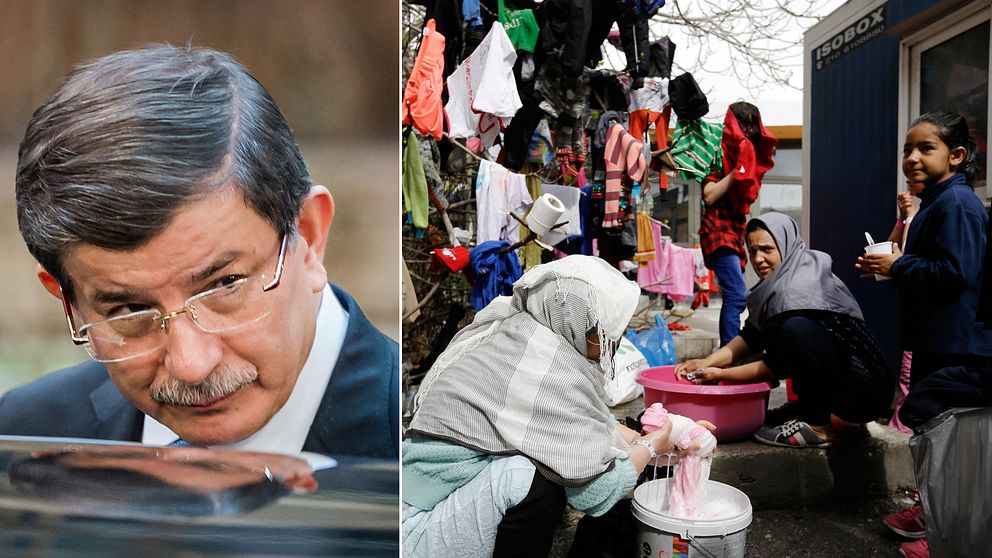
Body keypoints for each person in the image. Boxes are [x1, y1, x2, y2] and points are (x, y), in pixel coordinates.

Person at [0, 45, 398, 460]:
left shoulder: (406, 434)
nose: (192, 364)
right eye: (129, 311)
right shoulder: (24, 438)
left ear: (309, 235)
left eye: (224, 284)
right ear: (67, 300)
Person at [402, 255, 710, 557]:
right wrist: (652, 446)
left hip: (420, 495)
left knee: (557, 458)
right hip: (417, 527)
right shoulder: (544, 366)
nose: (613, 342)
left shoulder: (522, 333)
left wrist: (669, 436)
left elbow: (589, 427)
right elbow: (595, 491)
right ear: (574, 320)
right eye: (604, 331)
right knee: (540, 476)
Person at [859, 112, 992, 558]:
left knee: (952, 443)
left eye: (925, 148)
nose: (912, 157)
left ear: (955, 155)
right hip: (935, 339)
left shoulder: (957, 204)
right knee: (934, 435)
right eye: (906, 150)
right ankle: (932, 516)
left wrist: (898, 266)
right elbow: (930, 272)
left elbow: (958, 273)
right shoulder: (934, 203)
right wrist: (892, 266)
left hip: (957, 344)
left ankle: (948, 536)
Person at [676, 212, 895, 448]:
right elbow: (750, 337)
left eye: (767, 249)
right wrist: (707, 361)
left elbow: (775, 367)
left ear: (786, 245)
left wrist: (719, 375)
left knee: (795, 330)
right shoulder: (787, 278)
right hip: (850, 386)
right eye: (752, 251)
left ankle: (818, 427)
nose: (758, 259)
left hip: (866, 391)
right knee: (794, 334)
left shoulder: (795, 290)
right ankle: (809, 408)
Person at [699, 101, 777, 347]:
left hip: (733, 231)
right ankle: (729, 356)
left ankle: (732, 352)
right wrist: (737, 171)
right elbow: (709, 194)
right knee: (735, 296)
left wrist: (744, 166)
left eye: (752, 125)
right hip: (717, 230)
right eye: (743, 124)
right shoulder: (719, 153)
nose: (749, 130)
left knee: (735, 296)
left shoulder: (744, 154)